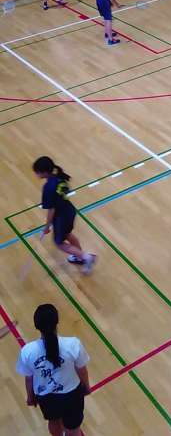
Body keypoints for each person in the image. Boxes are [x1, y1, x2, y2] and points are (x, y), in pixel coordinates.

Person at [16, 304, 90, 436]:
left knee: (53, 421)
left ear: (37, 326)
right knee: (73, 429)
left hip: (46, 398)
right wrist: (86, 386)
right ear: (57, 322)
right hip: (72, 395)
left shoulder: (27, 351)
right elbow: (82, 370)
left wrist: (30, 397)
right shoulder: (73, 344)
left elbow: (29, 379)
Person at [33, 157, 96, 274]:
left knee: (59, 243)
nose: (36, 174)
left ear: (44, 172)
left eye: (37, 172)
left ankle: (87, 257)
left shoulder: (48, 187)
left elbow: (51, 210)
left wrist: (47, 227)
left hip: (61, 218)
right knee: (67, 234)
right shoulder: (60, 177)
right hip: (69, 211)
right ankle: (79, 257)